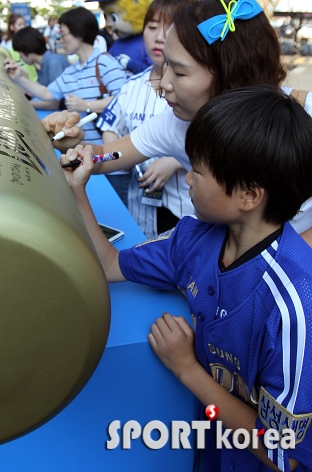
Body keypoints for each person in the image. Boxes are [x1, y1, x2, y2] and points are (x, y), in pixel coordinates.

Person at [62, 86, 312, 472]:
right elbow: (111, 264)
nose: (188, 178)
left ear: (249, 195)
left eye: (198, 169)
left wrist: (187, 369)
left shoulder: (295, 303)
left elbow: (284, 455)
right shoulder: (193, 237)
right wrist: (79, 191)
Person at [41, 0, 312, 244]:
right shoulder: (176, 123)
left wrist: (288, 258)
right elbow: (105, 157)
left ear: (231, 75)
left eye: (179, 73)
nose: (163, 84)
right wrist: (73, 145)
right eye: (165, 64)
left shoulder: (305, 114)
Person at [97, 0, 191, 233]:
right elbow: (110, 128)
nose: (160, 37)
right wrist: (125, 155)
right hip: (138, 209)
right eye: (152, 27)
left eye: (169, 28)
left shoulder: (198, 91)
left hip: (186, 212)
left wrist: (173, 161)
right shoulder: (131, 87)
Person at [5, 7, 127, 144]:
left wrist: (87, 105)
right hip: (84, 153)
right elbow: (47, 93)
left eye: (63, 34)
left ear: (79, 33)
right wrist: (18, 78)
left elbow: (124, 99)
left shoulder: (105, 62)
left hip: (109, 154)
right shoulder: (70, 71)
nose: (61, 40)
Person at [1, 13, 38, 82]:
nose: (23, 27)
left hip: (33, 79)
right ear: (12, 27)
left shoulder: (29, 41)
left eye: (24, 24)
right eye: (19, 24)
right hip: (18, 82)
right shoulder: (6, 44)